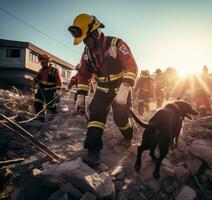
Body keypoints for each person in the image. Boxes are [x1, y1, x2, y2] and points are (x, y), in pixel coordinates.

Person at [68, 13, 138, 166]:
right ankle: (93, 152)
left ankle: (128, 136)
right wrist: (81, 95)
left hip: (121, 87)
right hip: (102, 88)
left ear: (95, 31)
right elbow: (84, 74)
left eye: (86, 38)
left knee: (121, 119)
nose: (84, 43)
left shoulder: (116, 43)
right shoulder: (87, 53)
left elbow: (131, 66)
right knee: (96, 116)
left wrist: (126, 86)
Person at [34, 53, 61, 121]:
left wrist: (58, 91)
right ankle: (41, 118)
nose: (43, 64)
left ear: (49, 62)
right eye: (41, 63)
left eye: (44, 62)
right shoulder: (40, 71)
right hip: (41, 90)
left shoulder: (54, 70)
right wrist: (36, 80)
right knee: (37, 103)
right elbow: (36, 80)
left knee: (49, 105)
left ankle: (54, 111)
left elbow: (58, 81)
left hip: (50, 91)